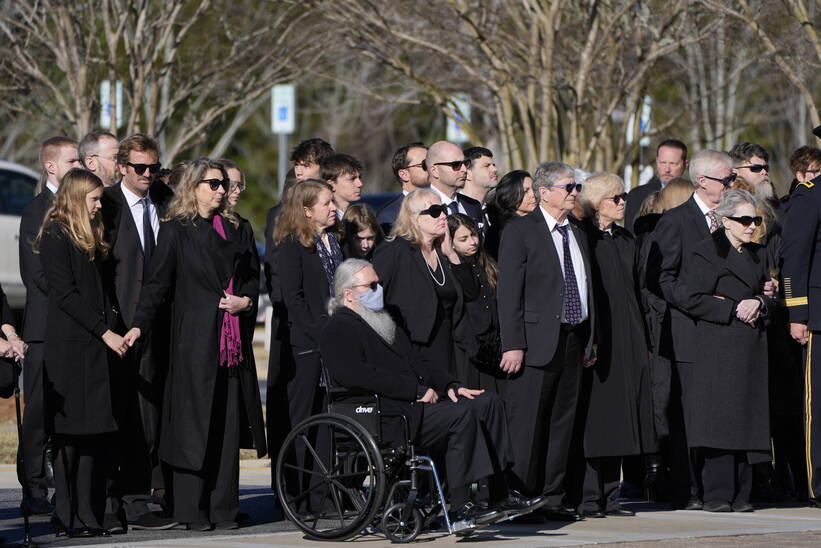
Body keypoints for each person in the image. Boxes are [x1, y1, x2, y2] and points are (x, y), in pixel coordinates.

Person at [320, 259, 545, 523]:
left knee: (488, 403)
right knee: (461, 416)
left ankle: (500, 493)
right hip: (383, 412)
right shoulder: (338, 327)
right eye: (372, 285)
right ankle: (461, 507)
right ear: (348, 294)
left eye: (378, 283)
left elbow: (419, 360)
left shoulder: (381, 321)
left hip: (409, 405)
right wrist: (414, 390)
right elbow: (356, 375)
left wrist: (452, 385)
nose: (379, 288)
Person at [124, 158, 261, 530]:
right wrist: (138, 327)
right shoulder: (176, 230)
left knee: (226, 425)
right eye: (212, 184)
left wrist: (245, 302)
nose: (220, 191)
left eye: (223, 184)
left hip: (231, 343)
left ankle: (223, 508)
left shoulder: (237, 229)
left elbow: (251, 281)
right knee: (193, 425)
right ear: (193, 187)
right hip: (194, 341)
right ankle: (189, 509)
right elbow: (156, 286)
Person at [496, 161, 595, 521]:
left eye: (576, 188)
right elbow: (509, 292)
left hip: (572, 338)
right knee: (528, 425)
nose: (574, 193)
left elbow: (587, 289)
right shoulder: (522, 231)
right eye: (568, 187)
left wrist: (591, 339)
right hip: (534, 343)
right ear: (545, 192)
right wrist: (513, 343)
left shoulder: (577, 231)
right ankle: (522, 498)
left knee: (561, 423)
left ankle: (552, 498)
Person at [36, 168, 128, 537]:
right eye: (93, 199)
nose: (98, 206)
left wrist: (114, 329)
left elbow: (102, 292)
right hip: (71, 348)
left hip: (96, 347)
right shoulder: (56, 235)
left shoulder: (92, 234)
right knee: (69, 437)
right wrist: (104, 331)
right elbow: (65, 294)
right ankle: (66, 513)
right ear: (76, 199)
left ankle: (89, 513)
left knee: (94, 434)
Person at [649, 149, 735, 510]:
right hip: (688, 331)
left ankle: (719, 489)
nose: (733, 185)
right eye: (727, 180)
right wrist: (707, 304)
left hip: (727, 332)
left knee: (719, 412)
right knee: (685, 416)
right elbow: (663, 279)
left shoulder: (732, 218)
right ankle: (687, 489)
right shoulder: (676, 221)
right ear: (703, 181)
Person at [99, 133, 176, 533]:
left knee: (149, 417)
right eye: (140, 168)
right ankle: (111, 499)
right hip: (116, 330)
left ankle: (138, 495)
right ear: (122, 167)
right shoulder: (106, 204)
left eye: (154, 168)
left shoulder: (165, 203)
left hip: (158, 327)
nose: (149, 175)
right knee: (117, 414)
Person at [683, 189, 773, 512]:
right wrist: (734, 308)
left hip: (751, 346)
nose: (751, 226)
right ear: (725, 221)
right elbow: (692, 298)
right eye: (744, 220)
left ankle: (742, 494)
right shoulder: (705, 252)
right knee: (720, 421)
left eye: (756, 220)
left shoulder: (758, 254)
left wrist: (761, 302)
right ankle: (718, 494)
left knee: (748, 419)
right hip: (719, 345)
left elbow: (770, 296)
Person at [576, 173, 657, 517]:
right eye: (615, 198)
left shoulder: (625, 239)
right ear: (596, 202)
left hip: (630, 338)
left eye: (624, 197)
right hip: (600, 340)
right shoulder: (585, 239)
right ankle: (589, 496)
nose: (623, 203)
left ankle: (612, 495)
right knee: (599, 420)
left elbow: (640, 289)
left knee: (624, 418)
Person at [18, 136, 82, 515]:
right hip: (45, 328)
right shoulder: (36, 210)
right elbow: (36, 274)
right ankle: (34, 490)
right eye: (72, 160)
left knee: (69, 415)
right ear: (51, 166)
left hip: (76, 330)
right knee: (39, 413)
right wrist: (71, 304)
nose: (80, 166)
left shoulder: (84, 208)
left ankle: (68, 489)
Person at [373, 189, 477, 384]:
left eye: (444, 209)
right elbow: (373, 296)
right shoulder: (395, 250)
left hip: (452, 344)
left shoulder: (443, 251)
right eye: (435, 211)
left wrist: (452, 255)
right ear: (414, 218)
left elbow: (471, 292)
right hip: (417, 347)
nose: (444, 216)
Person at [272, 179, 342, 450]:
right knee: (304, 418)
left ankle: (321, 492)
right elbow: (293, 297)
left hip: (336, 341)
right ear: (307, 210)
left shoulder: (334, 240)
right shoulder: (293, 244)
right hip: (308, 345)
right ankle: (296, 486)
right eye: (327, 203)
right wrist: (317, 333)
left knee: (327, 418)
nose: (333, 208)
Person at [781, 139, 821, 507]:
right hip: (820, 316)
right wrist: (798, 312)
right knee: (819, 406)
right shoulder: (810, 195)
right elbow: (794, 257)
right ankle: (818, 484)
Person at [447, 213, 501, 391]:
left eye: (474, 235)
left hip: (493, 343)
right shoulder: (451, 266)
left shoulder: (485, 261)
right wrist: (475, 349)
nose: (472, 242)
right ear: (451, 242)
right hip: (470, 347)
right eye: (463, 238)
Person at [624, 139, 688, 232]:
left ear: (685, 165)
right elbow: (630, 237)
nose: (667, 169)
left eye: (673, 164)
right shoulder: (636, 195)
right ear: (657, 162)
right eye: (662, 163)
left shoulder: (694, 195)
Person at [377, 142, 429, 233]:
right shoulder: (390, 214)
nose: (431, 168)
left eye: (432, 163)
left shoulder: (445, 204)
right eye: (425, 165)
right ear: (404, 174)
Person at [484, 170, 536, 259]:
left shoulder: (538, 222)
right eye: (526, 191)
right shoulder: (500, 231)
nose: (533, 194)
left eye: (533, 189)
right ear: (510, 195)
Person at [459, 146, 498, 232]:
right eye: (487, 166)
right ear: (468, 173)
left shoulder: (495, 211)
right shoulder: (456, 209)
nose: (495, 169)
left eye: (493, 165)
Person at [426, 141, 469, 216]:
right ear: (435, 171)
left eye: (465, 163)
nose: (464, 170)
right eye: (456, 165)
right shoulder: (419, 206)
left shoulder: (473, 205)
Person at [321, 153, 363, 219]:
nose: (360, 184)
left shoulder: (360, 218)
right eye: (352, 179)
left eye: (359, 178)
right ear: (331, 184)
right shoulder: (325, 222)